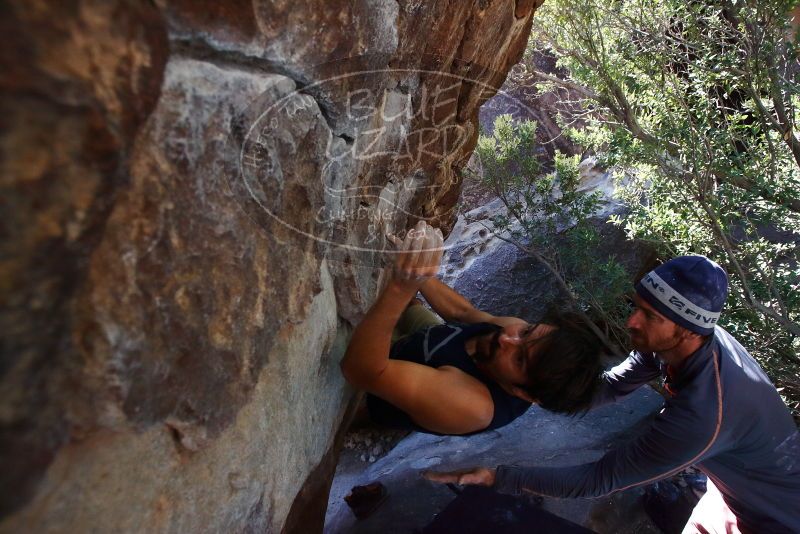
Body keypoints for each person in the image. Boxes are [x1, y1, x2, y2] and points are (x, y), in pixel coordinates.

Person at [425, 255, 800, 533]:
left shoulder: (703, 415)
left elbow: (599, 479)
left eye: (650, 317)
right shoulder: (684, 341)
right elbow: (614, 385)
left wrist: (497, 477)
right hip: (738, 488)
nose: (631, 322)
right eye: (638, 308)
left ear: (687, 331)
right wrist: (541, 389)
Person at [340, 220, 604, 435]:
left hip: (381, 384)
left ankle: (346, 423)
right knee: (402, 298)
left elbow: (361, 371)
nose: (508, 338)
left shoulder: (470, 405)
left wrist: (401, 287)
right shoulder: (517, 335)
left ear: (525, 394)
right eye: (526, 332)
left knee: (349, 349)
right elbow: (461, 312)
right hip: (432, 341)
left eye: (520, 359)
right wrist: (416, 270)